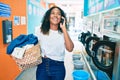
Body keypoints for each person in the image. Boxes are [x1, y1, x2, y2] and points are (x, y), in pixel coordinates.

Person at [35, 6, 74, 80]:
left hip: (58, 67)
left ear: (61, 18)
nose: (55, 15)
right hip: (42, 66)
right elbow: (33, 46)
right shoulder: (40, 30)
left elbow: (70, 48)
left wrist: (64, 29)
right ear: (48, 16)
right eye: (53, 13)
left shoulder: (64, 33)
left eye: (58, 14)